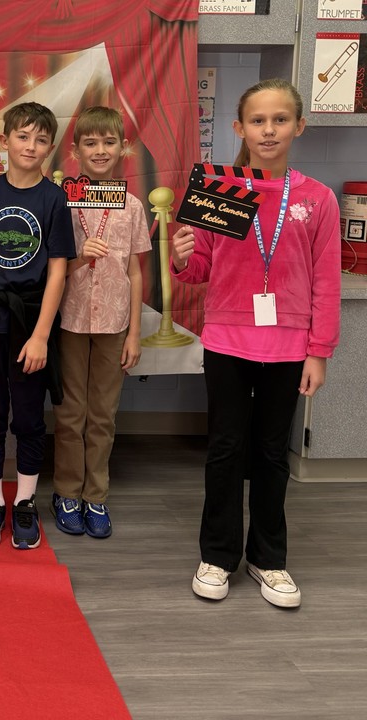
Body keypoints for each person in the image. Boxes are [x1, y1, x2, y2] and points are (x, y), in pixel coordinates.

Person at [171, 79, 340, 608]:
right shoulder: (218, 187)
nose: (269, 130)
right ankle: (217, 555)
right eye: (258, 121)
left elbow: (326, 280)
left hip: (290, 349)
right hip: (226, 341)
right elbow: (198, 271)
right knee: (224, 448)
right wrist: (180, 255)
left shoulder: (317, 199)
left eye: (280, 120)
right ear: (238, 127)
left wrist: (319, 350)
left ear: (298, 126)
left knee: (271, 453)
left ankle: (268, 557)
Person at [0, 102, 75, 551]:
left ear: (51, 148)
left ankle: (24, 501)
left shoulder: (54, 198)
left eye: (41, 140)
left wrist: (41, 334)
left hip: (31, 321)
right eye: (23, 136)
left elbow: (59, 270)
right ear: (4, 141)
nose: (31, 146)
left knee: (26, 416)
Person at [50, 106, 151, 539]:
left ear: (123, 148)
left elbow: (134, 271)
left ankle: (96, 496)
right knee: (72, 413)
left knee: (104, 414)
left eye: (109, 142)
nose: (100, 150)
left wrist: (134, 333)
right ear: (75, 151)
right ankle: (67, 492)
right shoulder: (62, 202)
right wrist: (79, 257)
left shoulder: (131, 206)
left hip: (113, 324)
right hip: (70, 321)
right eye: (90, 143)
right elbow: (54, 267)